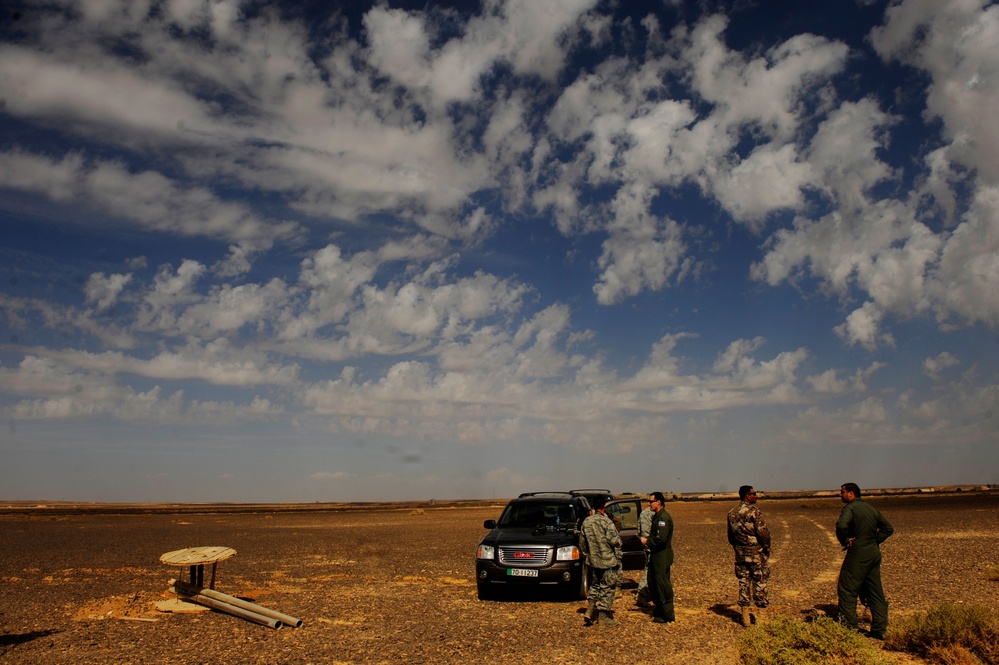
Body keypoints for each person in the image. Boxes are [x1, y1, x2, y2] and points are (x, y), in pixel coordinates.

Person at [836, 483, 894, 639]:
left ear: (851, 493)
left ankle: (849, 629)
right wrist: (874, 541)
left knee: (847, 589)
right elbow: (889, 529)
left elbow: (841, 526)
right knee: (875, 591)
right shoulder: (871, 509)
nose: (840, 495)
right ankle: (879, 629)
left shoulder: (851, 509)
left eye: (842, 492)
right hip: (873, 553)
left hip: (858, 553)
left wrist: (846, 540)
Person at [727, 485, 771, 627]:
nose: (756, 496)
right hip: (756, 553)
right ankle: (762, 617)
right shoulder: (753, 512)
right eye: (754, 493)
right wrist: (766, 548)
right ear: (747, 496)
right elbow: (763, 533)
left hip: (740, 554)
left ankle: (745, 616)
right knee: (759, 582)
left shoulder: (732, 513)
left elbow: (730, 536)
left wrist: (738, 547)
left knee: (743, 582)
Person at [579, 494, 623, 627]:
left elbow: (582, 543)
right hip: (607, 562)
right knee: (608, 587)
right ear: (604, 506)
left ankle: (590, 610)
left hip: (593, 562)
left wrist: (587, 554)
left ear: (593, 506)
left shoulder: (586, 522)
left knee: (595, 585)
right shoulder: (606, 522)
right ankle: (603, 616)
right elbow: (615, 541)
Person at [646, 491, 676, 624]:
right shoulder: (657, 517)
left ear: (659, 502)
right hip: (656, 555)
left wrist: (646, 541)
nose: (649, 504)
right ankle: (659, 608)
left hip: (662, 555)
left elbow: (661, 540)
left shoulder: (663, 518)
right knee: (653, 582)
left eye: (651, 501)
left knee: (662, 584)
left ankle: (667, 614)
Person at [635, 498, 654, 606]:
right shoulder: (650, 514)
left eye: (650, 502)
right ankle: (641, 594)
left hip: (648, 545)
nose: (648, 504)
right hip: (651, 546)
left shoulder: (644, 513)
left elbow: (638, 531)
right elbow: (645, 533)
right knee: (650, 570)